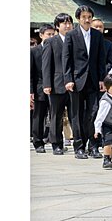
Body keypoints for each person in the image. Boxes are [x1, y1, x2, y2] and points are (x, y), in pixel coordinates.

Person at [65, 5, 111, 159]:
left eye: (89, 17)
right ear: (78, 18)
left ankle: (93, 146)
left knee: (93, 113)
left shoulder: (97, 36)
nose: (87, 20)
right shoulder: (71, 35)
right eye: (84, 17)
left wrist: (101, 79)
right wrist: (68, 79)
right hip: (76, 81)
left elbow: (100, 60)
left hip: (93, 81)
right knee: (76, 115)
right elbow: (67, 60)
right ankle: (79, 146)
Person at [41, 13, 74, 155]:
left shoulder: (75, 39)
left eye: (69, 23)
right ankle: (56, 144)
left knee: (75, 115)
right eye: (64, 23)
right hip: (56, 84)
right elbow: (46, 64)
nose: (67, 26)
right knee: (56, 116)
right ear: (57, 26)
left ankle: (79, 142)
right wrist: (47, 84)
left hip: (74, 84)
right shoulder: (51, 42)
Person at [30, 23, 55, 153]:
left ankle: (55, 140)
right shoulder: (34, 51)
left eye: (53, 34)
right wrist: (30, 91)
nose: (51, 37)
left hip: (55, 87)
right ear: (41, 35)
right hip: (39, 87)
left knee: (56, 115)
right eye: (48, 34)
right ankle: (38, 142)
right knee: (39, 116)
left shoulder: (57, 48)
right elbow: (30, 73)